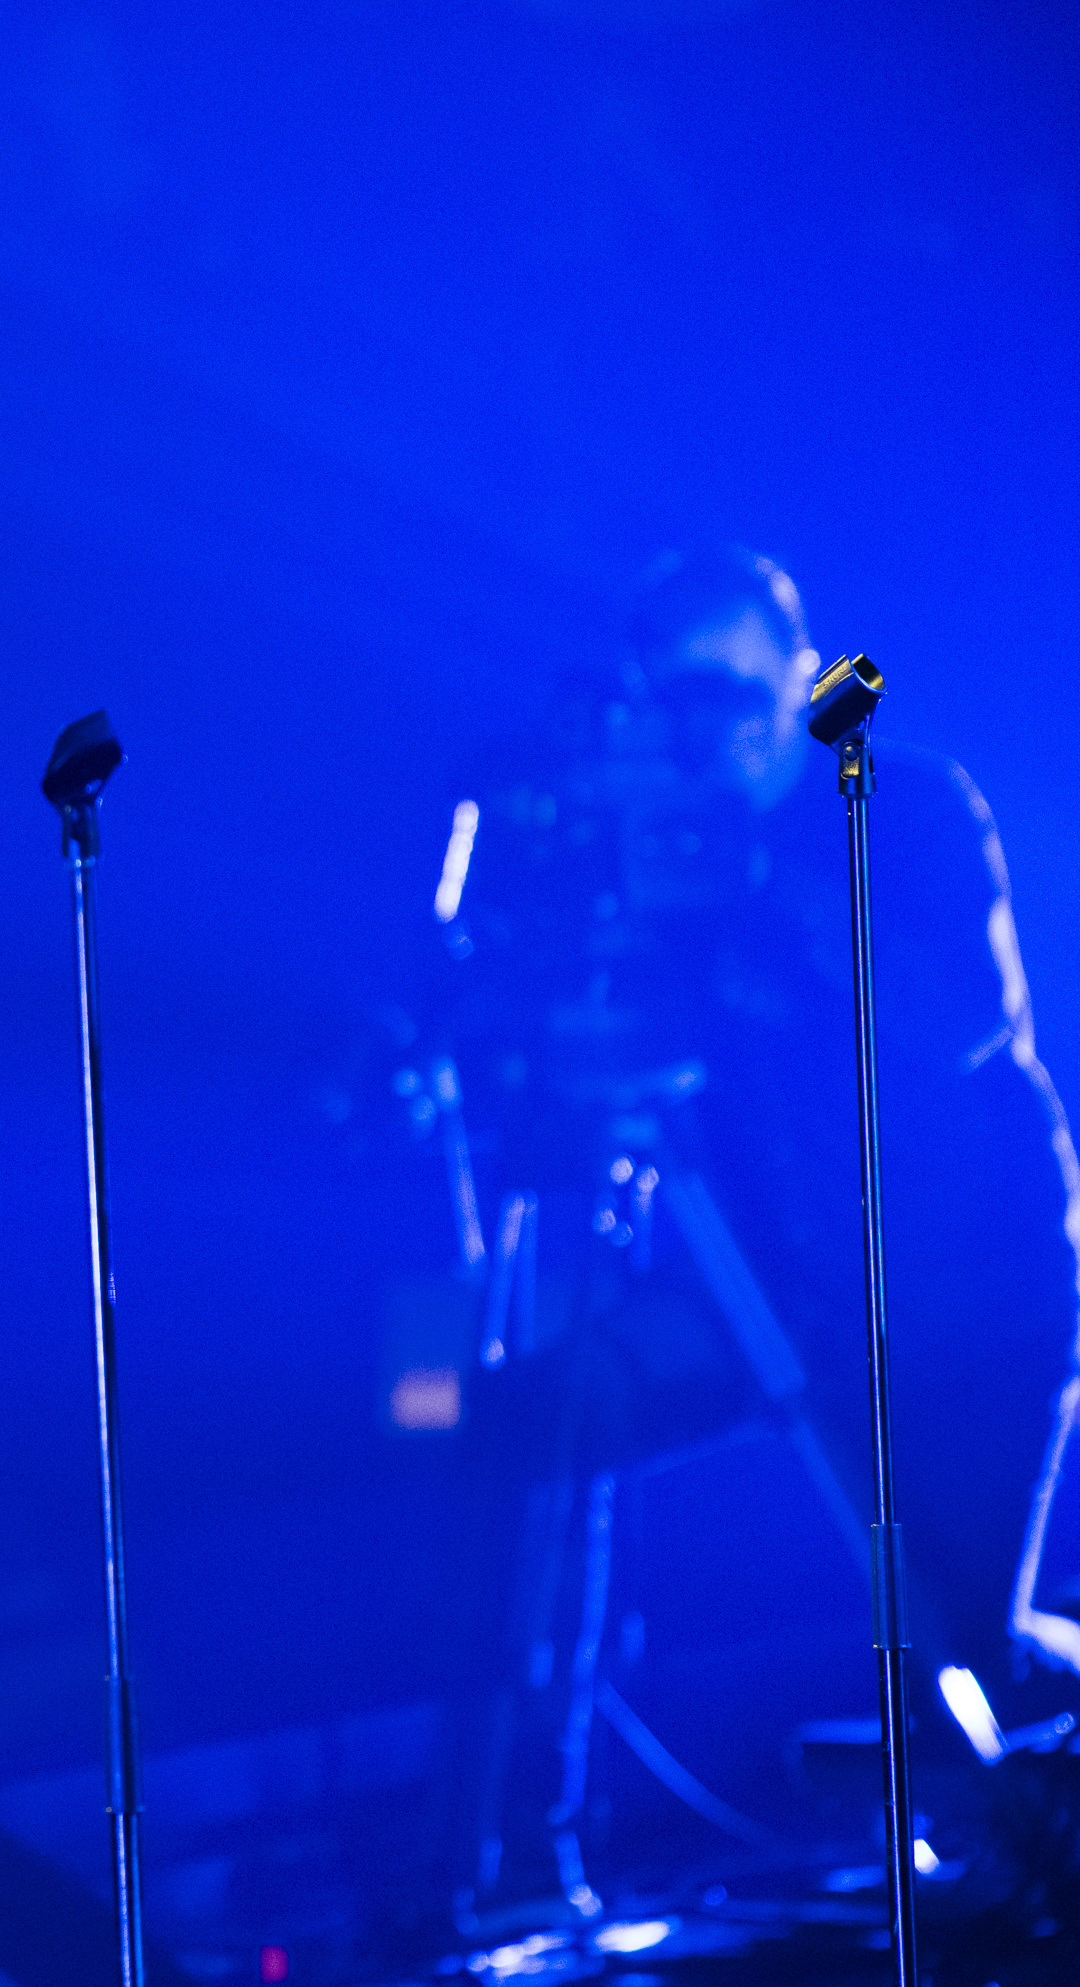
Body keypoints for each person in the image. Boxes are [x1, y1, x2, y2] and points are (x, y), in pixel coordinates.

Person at [408, 546, 1080, 1921]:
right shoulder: (668, 856)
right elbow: (600, 1043)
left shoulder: (908, 802)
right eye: (678, 696)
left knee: (957, 1644)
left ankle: (1026, 1805)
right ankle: (510, 1850)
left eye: (729, 687)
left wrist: (760, 896)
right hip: (782, 1286)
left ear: (797, 669)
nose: (707, 723)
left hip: (973, 1305)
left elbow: (955, 1028)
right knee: (535, 1407)